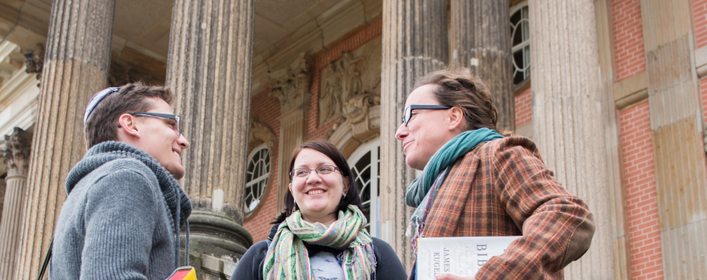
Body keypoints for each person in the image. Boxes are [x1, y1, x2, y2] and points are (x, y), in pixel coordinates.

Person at [395, 69, 595, 280]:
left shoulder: (496, 153)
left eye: (411, 115)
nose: (399, 132)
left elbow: (566, 215)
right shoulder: (435, 188)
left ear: (453, 117)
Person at [50, 82, 192, 280]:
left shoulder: (92, 187)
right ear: (130, 124)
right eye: (170, 124)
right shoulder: (127, 178)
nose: (184, 141)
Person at [232, 140, 408, 280]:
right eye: (301, 172)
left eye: (324, 169)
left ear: (345, 185)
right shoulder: (260, 255)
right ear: (292, 189)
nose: (313, 178)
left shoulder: (377, 253)